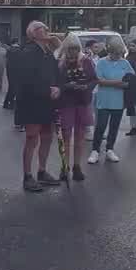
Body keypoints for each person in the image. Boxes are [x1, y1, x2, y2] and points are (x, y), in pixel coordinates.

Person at [14, 21, 61, 191]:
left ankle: (42, 171)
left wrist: (58, 88)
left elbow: (56, 74)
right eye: (43, 28)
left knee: (47, 136)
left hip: (47, 102)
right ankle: (27, 176)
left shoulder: (48, 53)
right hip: (32, 102)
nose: (48, 29)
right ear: (33, 33)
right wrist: (48, 89)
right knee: (32, 138)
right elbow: (26, 80)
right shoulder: (28, 52)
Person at [56, 35, 96, 181]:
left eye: (75, 48)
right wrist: (66, 86)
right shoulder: (60, 62)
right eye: (70, 48)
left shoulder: (86, 61)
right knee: (65, 135)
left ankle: (77, 166)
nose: (73, 51)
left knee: (80, 136)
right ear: (66, 48)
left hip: (82, 101)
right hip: (66, 102)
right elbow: (55, 82)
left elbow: (94, 79)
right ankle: (64, 167)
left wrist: (86, 87)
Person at [89, 36, 134, 164]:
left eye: (120, 53)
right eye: (115, 53)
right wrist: (119, 83)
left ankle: (110, 149)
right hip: (104, 100)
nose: (118, 56)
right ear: (110, 51)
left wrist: (111, 82)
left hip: (119, 101)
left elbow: (130, 81)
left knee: (114, 127)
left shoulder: (124, 63)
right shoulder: (102, 62)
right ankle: (95, 150)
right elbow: (99, 81)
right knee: (101, 126)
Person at [3, 41, 21, 111]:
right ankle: (10, 103)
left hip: (10, 71)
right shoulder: (19, 51)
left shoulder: (9, 51)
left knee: (11, 88)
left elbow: (7, 60)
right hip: (16, 72)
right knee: (14, 88)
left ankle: (7, 103)